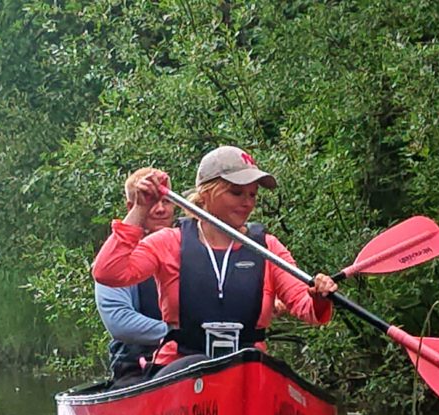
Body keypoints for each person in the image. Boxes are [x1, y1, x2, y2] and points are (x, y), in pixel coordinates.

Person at [92, 145, 338, 371]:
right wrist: (140, 209)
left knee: (261, 368)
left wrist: (318, 297)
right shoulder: (168, 242)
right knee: (197, 365)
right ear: (207, 194)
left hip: (248, 371)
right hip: (178, 371)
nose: (247, 203)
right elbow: (107, 273)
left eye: (252, 195)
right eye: (236, 192)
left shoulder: (267, 247)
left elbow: (310, 311)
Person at [95, 167, 175, 383]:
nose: (160, 209)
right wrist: (178, 334)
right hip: (136, 366)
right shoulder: (117, 258)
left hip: (188, 359)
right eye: (151, 202)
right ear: (132, 207)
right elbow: (119, 321)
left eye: (166, 202)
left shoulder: (190, 246)